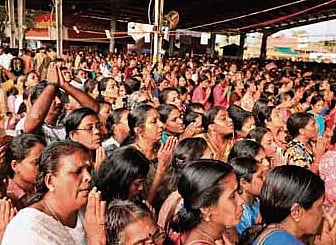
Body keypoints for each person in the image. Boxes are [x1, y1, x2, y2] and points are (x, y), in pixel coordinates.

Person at [1, 140, 106, 245]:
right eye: (77, 172)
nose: (88, 177)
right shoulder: (27, 228)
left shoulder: (89, 209)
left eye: (89, 169)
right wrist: (96, 240)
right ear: (50, 181)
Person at [252, 165, 336, 245]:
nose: (323, 214)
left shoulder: (272, 235)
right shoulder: (285, 242)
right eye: (319, 207)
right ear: (297, 212)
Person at [174, 160, 243, 245]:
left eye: (238, 191)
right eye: (232, 196)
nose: (240, 201)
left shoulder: (217, 233)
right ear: (206, 209)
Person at [3, 134, 46, 209]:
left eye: (44, 161)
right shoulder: (7, 198)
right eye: (36, 163)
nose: (42, 166)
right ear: (15, 165)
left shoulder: (43, 189)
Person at [229, 157, 266, 236]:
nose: (265, 180)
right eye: (260, 177)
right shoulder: (238, 212)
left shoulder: (257, 202)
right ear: (244, 183)